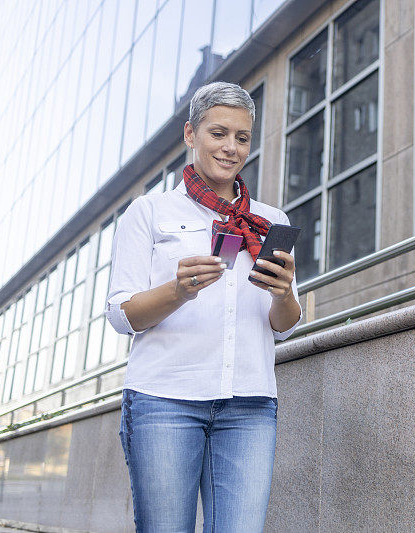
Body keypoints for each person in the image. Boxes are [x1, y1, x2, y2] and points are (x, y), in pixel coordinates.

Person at [105, 81, 301, 532]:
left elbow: (285, 326)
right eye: (218, 133)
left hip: (250, 404)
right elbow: (121, 315)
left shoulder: (272, 222)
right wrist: (179, 290)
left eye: (242, 137)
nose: (231, 147)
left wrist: (283, 292)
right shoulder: (148, 212)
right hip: (164, 402)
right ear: (191, 135)